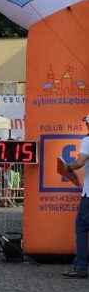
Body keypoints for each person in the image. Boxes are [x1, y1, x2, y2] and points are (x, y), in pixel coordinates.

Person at [63, 114, 89, 278]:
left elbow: (80, 162)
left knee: (81, 228)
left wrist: (68, 166)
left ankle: (80, 268)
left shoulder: (87, 141)